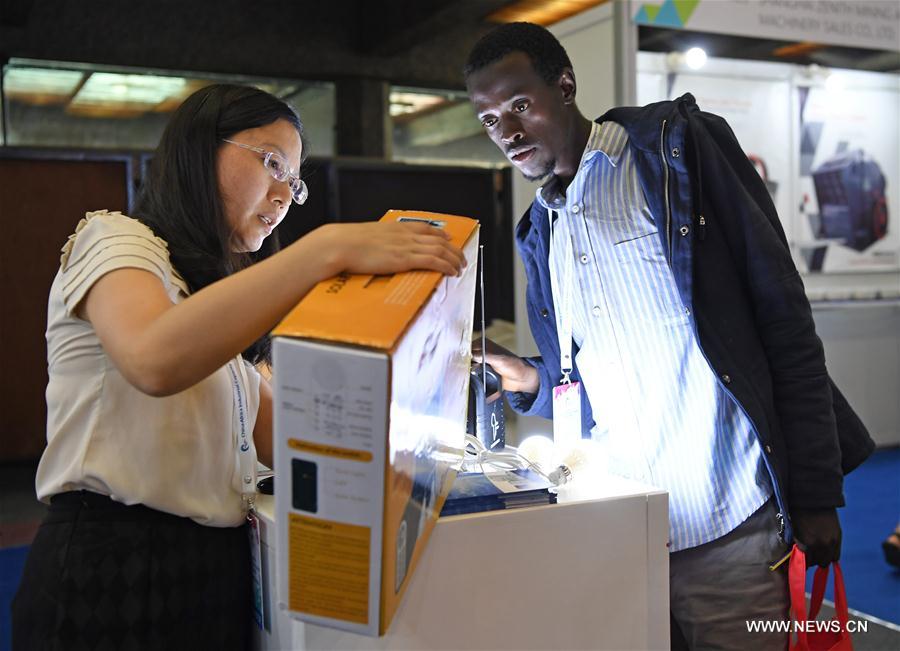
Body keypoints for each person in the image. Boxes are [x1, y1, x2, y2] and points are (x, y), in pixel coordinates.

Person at [464, 22, 874, 650]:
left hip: (731, 525)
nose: (509, 132)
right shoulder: (541, 232)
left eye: (520, 105)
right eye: (491, 120)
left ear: (565, 87)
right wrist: (524, 378)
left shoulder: (673, 153)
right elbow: (584, 386)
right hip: (623, 531)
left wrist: (817, 494)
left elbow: (784, 320)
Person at [11, 83, 464, 650]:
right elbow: (153, 358)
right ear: (200, 149)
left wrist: (432, 371)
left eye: (294, 183)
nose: (282, 194)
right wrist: (323, 251)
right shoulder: (116, 239)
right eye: (273, 163)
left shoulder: (214, 327)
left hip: (213, 572)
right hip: (113, 562)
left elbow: (295, 435)